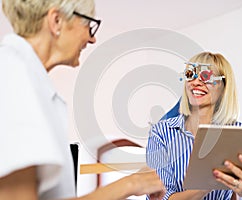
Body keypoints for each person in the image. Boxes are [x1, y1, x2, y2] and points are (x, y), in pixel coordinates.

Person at [0, 0, 165, 199]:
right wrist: (131, 184)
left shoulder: (26, 77)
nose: (92, 38)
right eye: (88, 24)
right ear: (57, 21)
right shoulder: (14, 75)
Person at [146, 52, 242, 199]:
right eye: (190, 74)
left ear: (223, 88)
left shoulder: (237, 132)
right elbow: (158, 197)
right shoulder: (161, 132)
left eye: (206, 76)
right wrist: (205, 187)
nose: (196, 82)